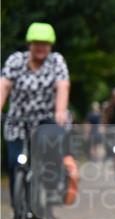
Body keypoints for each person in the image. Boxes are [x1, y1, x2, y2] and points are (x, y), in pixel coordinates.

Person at [0, 23, 71, 201]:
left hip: (45, 118)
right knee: (15, 163)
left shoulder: (56, 61)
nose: (40, 48)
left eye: (45, 44)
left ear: (51, 46)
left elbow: (63, 85)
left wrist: (60, 111)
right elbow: (4, 84)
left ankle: (50, 186)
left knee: (50, 152)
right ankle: (19, 213)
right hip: (17, 119)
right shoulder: (16, 60)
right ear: (29, 44)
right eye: (36, 43)